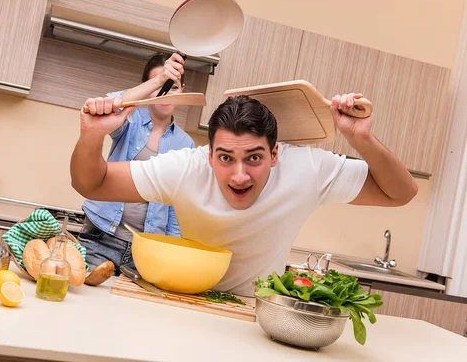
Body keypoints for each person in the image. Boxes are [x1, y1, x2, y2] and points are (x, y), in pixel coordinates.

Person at [71, 89, 418, 296]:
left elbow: (400, 193)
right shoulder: (187, 167)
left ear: (275, 154)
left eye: (254, 157)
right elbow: (93, 184)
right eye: (225, 158)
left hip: (256, 312)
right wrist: (91, 134)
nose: (239, 175)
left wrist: (361, 138)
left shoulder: (307, 168)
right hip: (184, 298)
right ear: (209, 155)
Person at [79, 52, 196, 286]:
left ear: (182, 90)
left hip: (145, 254)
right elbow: (108, 104)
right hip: (100, 238)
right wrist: (160, 79)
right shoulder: (129, 120)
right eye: (159, 87)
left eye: (171, 87)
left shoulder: (187, 145)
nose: (164, 94)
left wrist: (171, 254)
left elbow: (176, 208)